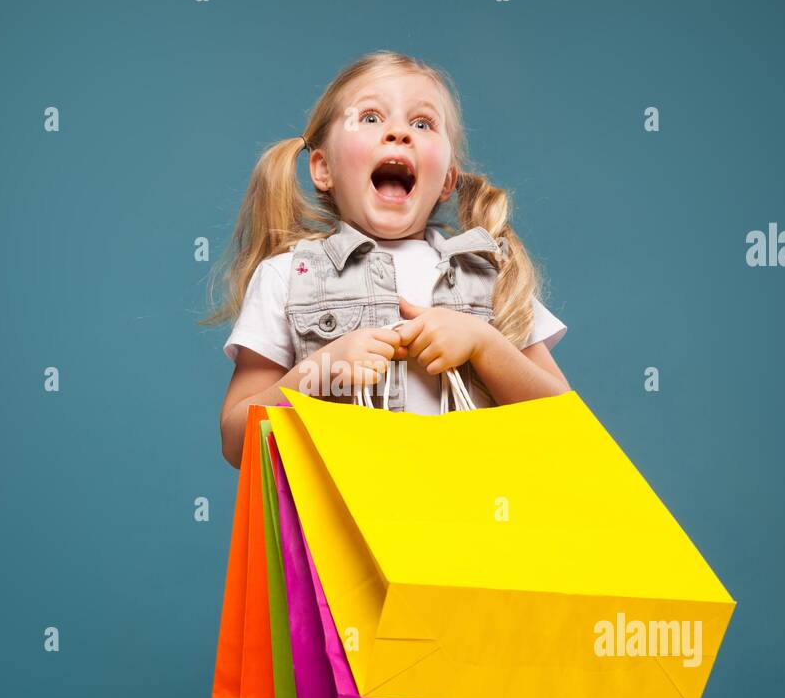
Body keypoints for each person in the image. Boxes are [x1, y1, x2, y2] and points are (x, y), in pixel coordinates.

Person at [203, 50, 571, 469]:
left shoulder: (489, 275)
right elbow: (236, 442)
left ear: (447, 179)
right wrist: (319, 372)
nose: (399, 133)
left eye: (422, 123)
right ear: (323, 169)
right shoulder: (288, 276)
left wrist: (485, 345)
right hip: (338, 530)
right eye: (371, 118)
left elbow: (567, 430)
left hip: (474, 526)